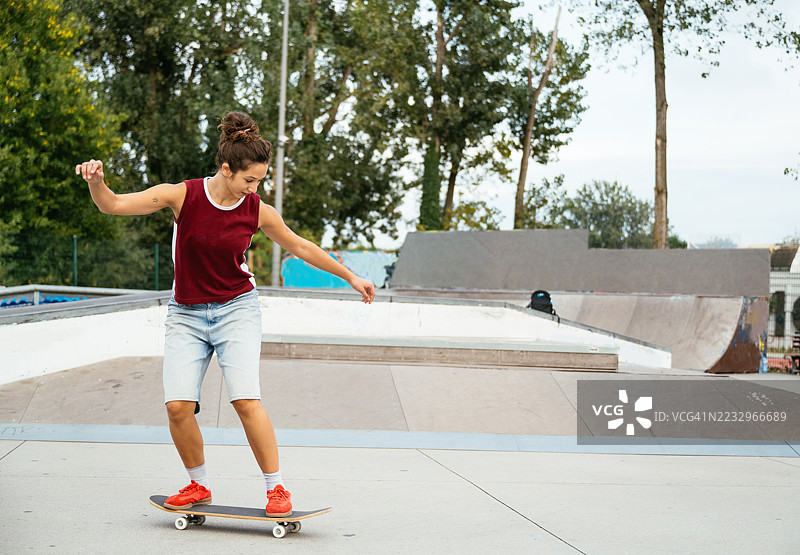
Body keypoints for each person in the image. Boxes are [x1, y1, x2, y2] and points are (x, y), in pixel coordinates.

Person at [76, 111, 375, 517]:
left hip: (238, 308)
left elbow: (300, 246)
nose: (254, 189)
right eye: (249, 180)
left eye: (259, 182)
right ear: (225, 168)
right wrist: (97, 182)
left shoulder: (256, 210)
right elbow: (112, 205)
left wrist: (350, 276)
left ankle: (277, 489)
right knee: (177, 406)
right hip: (185, 313)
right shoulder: (183, 195)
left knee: (245, 399)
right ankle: (198, 484)